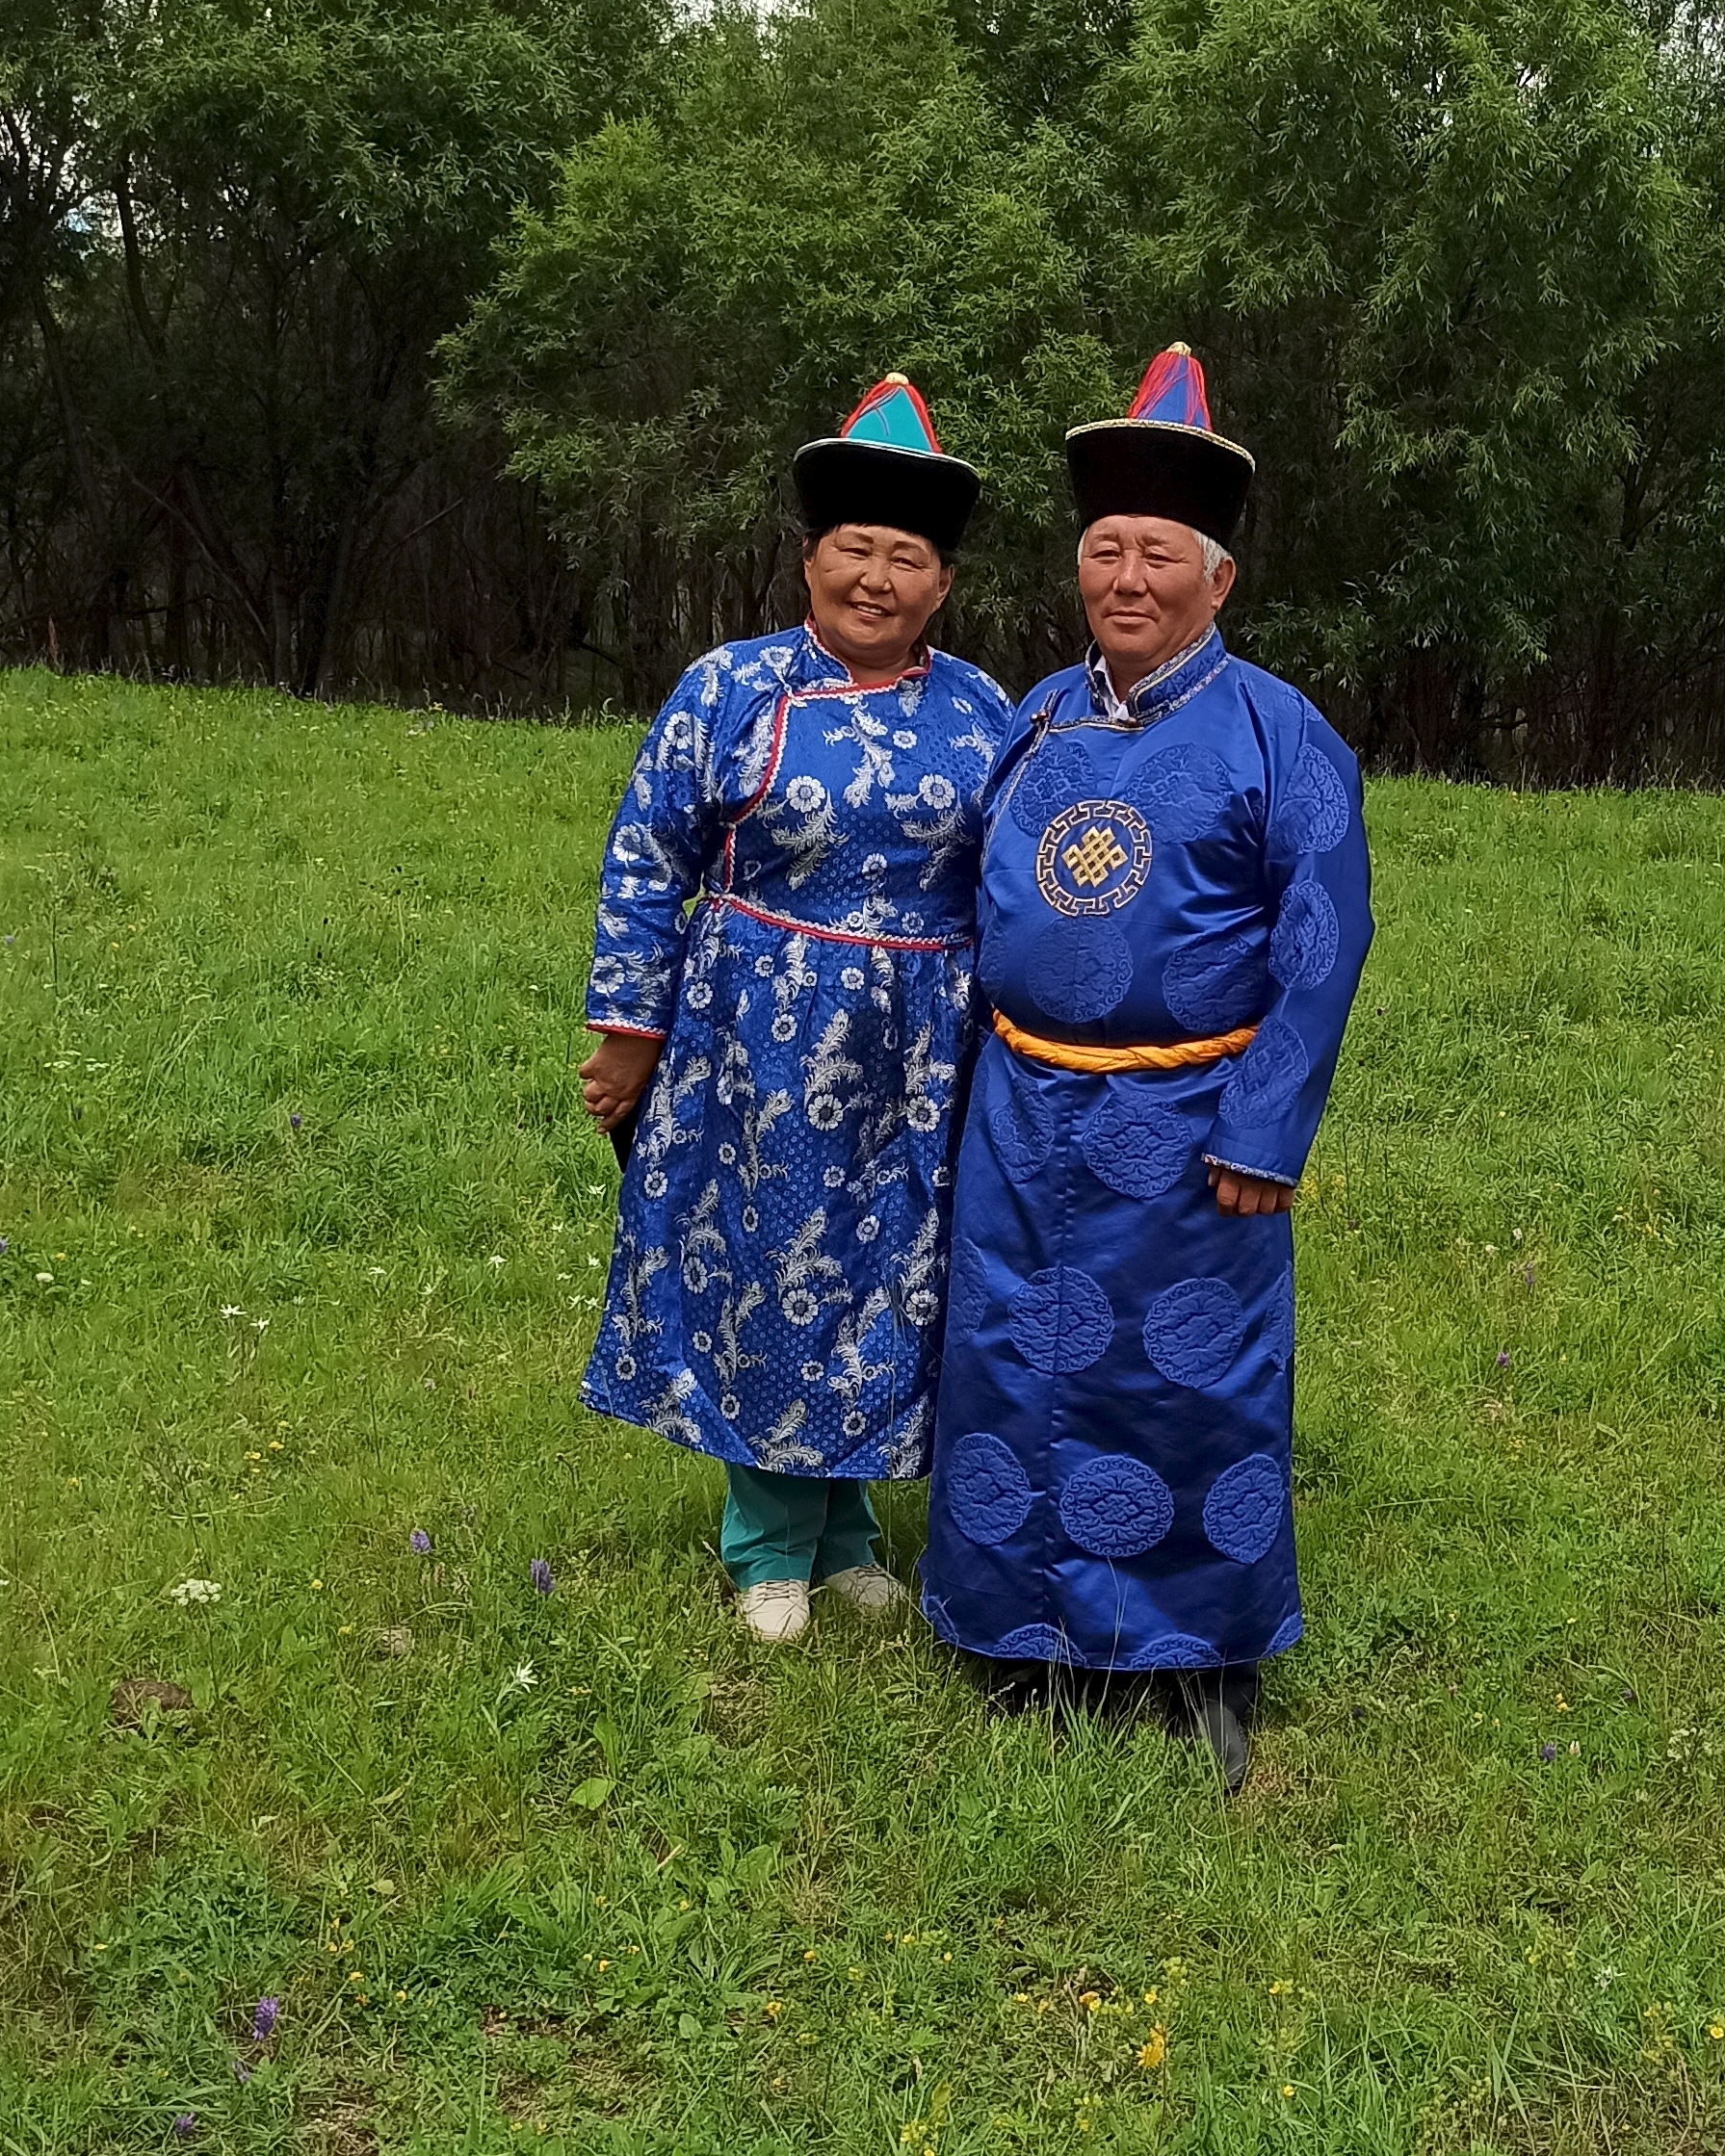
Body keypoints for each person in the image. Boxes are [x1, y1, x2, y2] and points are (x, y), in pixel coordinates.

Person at [919, 344, 1373, 1791]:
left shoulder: (1275, 732)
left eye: (1156, 552)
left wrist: (1264, 1128)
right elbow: (963, 895)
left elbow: (1324, 934)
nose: (1125, 574)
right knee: (1009, 1359)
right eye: (1103, 547)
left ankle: (1194, 1659)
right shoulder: (1037, 711)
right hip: (1020, 1108)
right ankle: (1020, 1631)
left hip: (1189, 1122)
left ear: (1216, 578)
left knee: (1189, 1379)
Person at [575, 377, 1011, 1644]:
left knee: (891, 1276)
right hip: (759, 1031)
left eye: (906, 555)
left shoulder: (987, 710)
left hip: (926, 1043)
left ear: (940, 582)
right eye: (854, 547)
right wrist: (628, 1027)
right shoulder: (730, 688)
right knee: (777, 1267)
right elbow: (647, 852)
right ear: (809, 557)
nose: (876, 575)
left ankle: (847, 1529)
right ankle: (766, 1539)